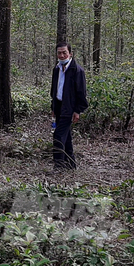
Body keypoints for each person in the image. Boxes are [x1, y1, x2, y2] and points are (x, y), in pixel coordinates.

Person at [50, 41, 88, 171]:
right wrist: (53, 108)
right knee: (66, 137)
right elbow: (54, 90)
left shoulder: (77, 71)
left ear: (70, 54)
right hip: (59, 106)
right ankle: (71, 164)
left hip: (69, 108)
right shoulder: (56, 69)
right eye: (59, 53)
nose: (61, 55)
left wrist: (77, 111)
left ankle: (59, 166)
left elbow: (81, 93)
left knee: (58, 136)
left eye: (64, 52)